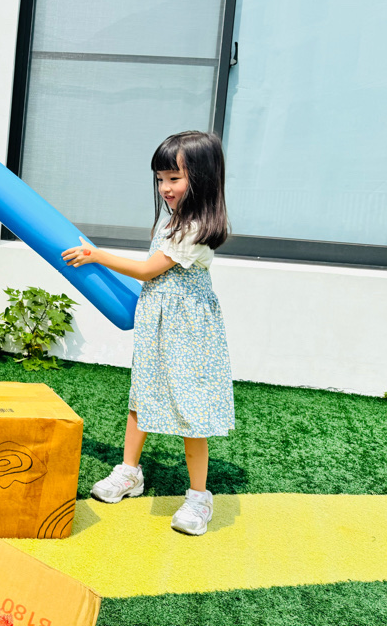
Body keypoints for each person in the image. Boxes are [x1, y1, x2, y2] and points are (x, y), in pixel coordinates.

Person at [62, 130, 233, 535]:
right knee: (142, 393)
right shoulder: (173, 220)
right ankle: (129, 471)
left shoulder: (195, 229)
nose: (165, 188)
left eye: (175, 178)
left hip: (188, 330)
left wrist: (96, 255)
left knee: (191, 409)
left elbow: (146, 270)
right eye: (160, 179)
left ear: (201, 178)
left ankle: (199, 496)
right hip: (159, 323)